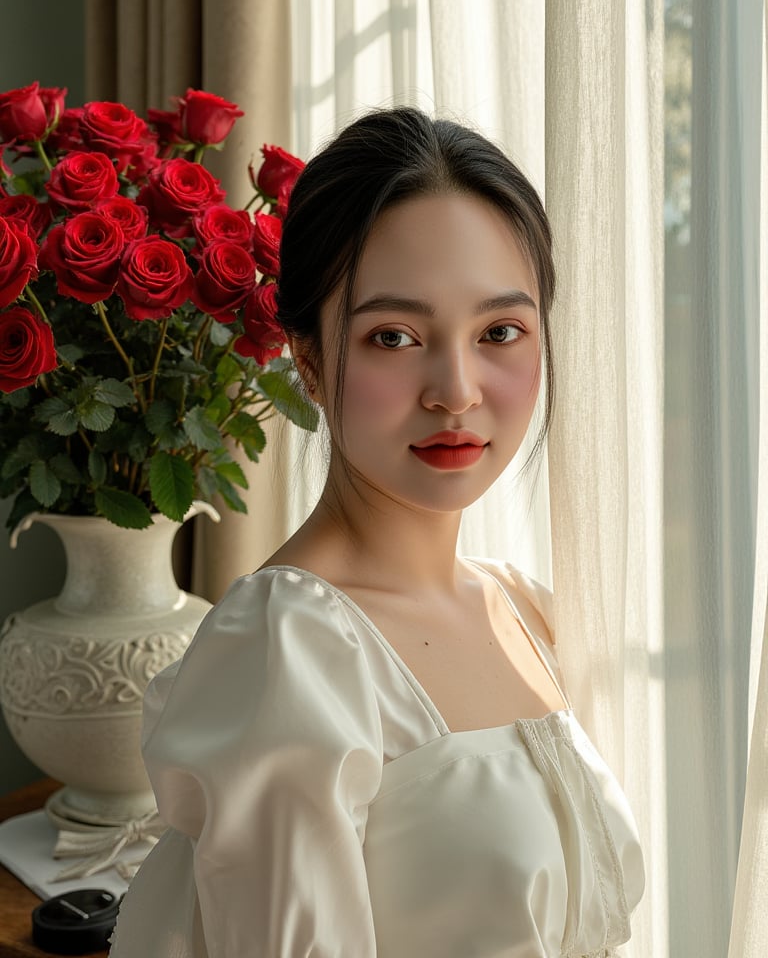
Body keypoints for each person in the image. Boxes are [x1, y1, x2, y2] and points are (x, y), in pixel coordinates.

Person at [109, 107, 645, 957]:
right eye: (393, 337)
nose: (457, 389)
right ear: (311, 360)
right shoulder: (291, 647)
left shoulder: (521, 607)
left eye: (499, 332)